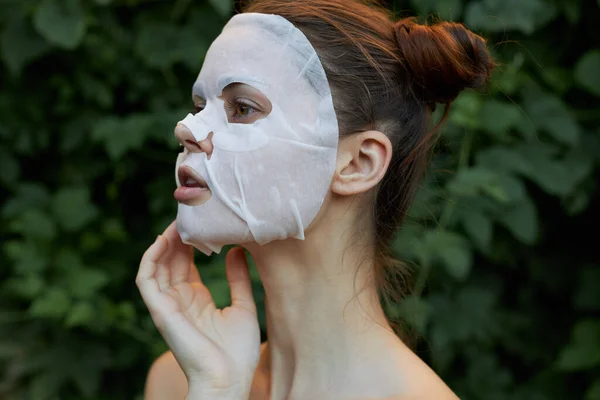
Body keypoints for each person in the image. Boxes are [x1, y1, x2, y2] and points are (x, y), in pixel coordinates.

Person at [136, 0, 494, 399]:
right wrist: (217, 390)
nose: (185, 129)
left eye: (242, 108)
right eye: (201, 107)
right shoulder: (184, 379)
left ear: (358, 163)